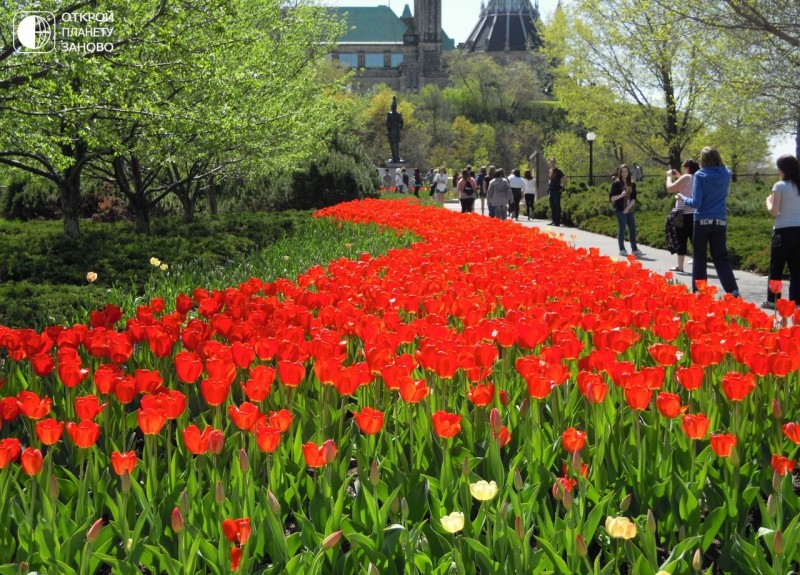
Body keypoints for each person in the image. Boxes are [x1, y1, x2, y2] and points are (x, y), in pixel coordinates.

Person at [677, 146, 739, 296]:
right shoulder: (726, 174)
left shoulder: (700, 175)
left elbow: (696, 203)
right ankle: (733, 290)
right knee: (721, 257)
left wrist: (682, 197)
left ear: (703, 160)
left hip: (702, 220)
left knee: (699, 257)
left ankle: (699, 292)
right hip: (720, 219)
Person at [763, 154, 800, 308]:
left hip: (782, 231)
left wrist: (768, 201)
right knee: (797, 269)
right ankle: (796, 302)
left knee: (776, 267)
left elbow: (774, 212)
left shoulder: (779, 186)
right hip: (799, 230)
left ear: (783, 169)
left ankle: (773, 300)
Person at [665, 159, 700, 272]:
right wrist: (679, 176)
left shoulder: (687, 177)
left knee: (681, 239)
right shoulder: (697, 178)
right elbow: (685, 185)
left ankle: (680, 266)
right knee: (694, 240)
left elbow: (670, 188)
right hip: (695, 213)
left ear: (688, 168)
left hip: (682, 213)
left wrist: (669, 177)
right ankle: (699, 266)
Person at [609, 165, 645, 258]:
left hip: (629, 210)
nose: (624, 173)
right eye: (622, 171)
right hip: (620, 209)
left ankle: (635, 249)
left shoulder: (632, 183)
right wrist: (621, 195)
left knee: (632, 229)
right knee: (622, 229)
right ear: (619, 173)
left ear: (628, 172)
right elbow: (612, 198)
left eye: (626, 171)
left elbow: (633, 198)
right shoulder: (616, 183)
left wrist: (627, 208)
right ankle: (622, 249)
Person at [547, 158, 567, 226]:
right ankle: (553, 220)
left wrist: (562, 187)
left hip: (557, 190)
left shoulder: (559, 171)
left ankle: (557, 221)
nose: (552, 163)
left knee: (556, 205)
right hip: (551, 190)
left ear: (555, 163)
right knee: (552, 205)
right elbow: (550, 180)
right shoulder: (550, 171)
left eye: (553, 162)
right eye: (551, 162)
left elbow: (565, 178)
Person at [386, 96, 404, 162]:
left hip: (392, 130)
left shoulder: (389, 114)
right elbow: (402, 123)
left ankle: (394, 158)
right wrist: (399, 128)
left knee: (393, 144)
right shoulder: (399, 114)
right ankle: (397, 157)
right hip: (397, 130)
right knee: (396, 144)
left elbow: (387, 123)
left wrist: (389, 129)